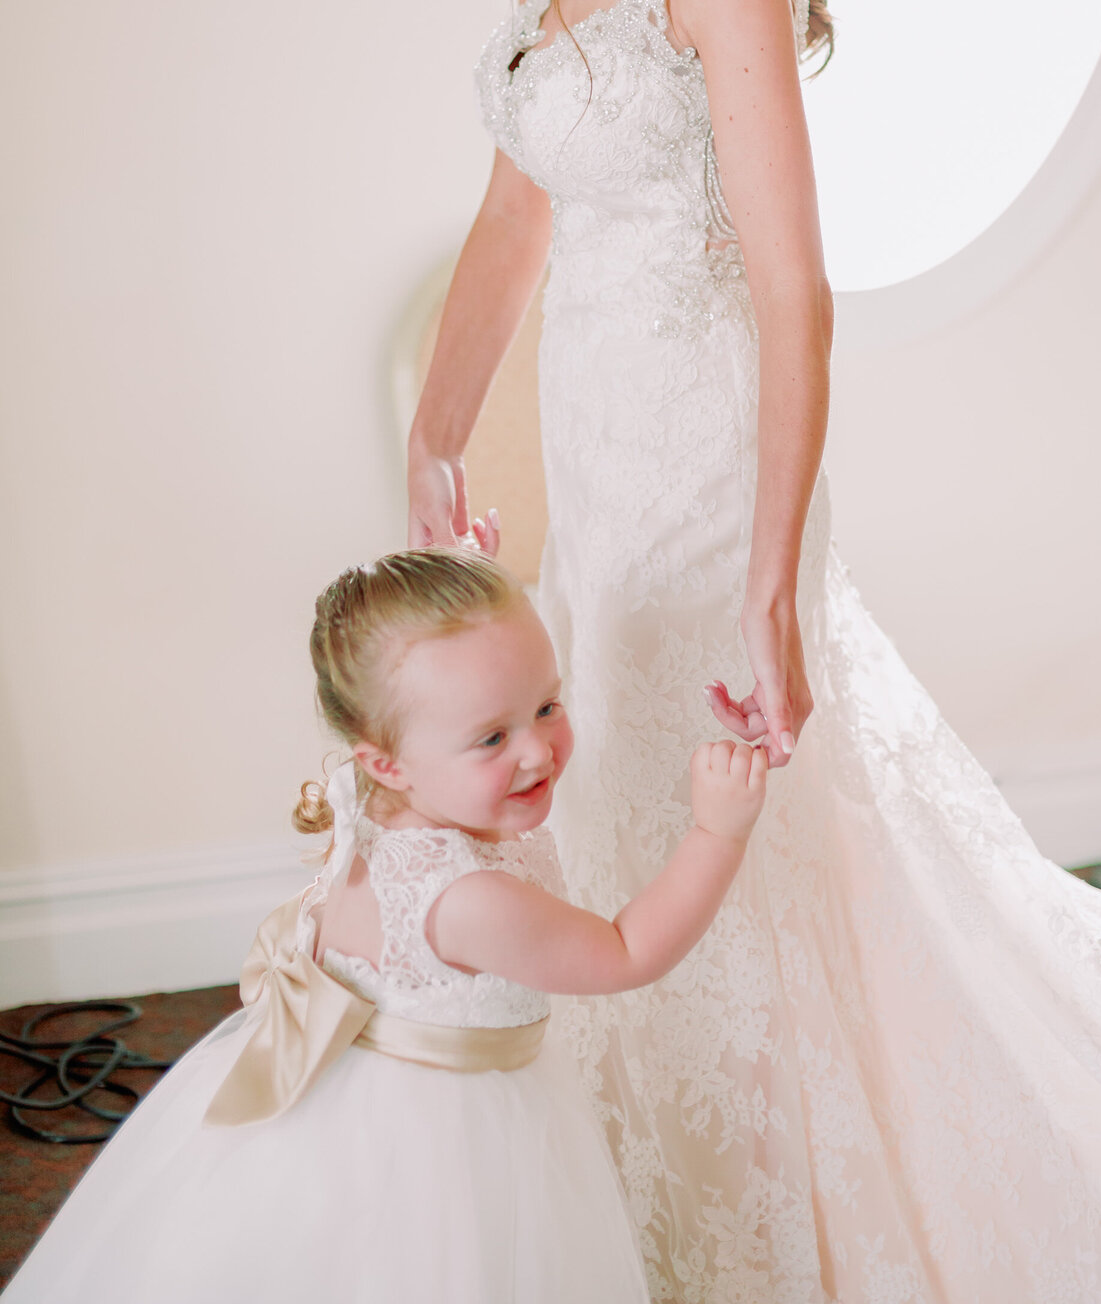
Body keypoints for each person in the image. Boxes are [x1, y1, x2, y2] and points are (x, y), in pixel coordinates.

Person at [411, 0, 1101, 1301]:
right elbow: (517, 206)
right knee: (616, 783)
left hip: (707, 468)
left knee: (719, 791)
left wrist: (773, 582)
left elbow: (790, 287)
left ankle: (794, 1197)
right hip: (595, 453)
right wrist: (441, 428)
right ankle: (647, 1181)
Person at [6, 548, 768, 1304]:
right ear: (391, 762)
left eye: (546, 704)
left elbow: (429, 682)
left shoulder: (369, 794)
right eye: (492, 738)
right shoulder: (472, 902)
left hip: (340, 1095)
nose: (538, 749)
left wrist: (458, 578)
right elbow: (624, 952)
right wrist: (716, 834)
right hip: (445, 1140)